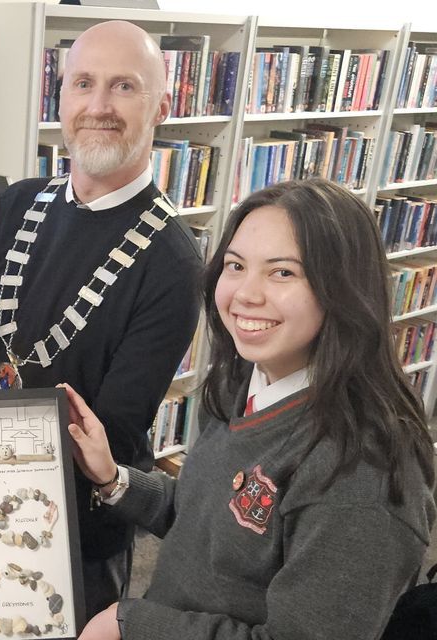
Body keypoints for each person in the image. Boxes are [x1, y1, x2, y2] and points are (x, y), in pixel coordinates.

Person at [65, 179, 437, 640]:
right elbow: (207, 521)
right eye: (235, 265)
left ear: (342, 287)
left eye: (283, 272)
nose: (245, 294)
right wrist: (113, 478)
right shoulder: (243, 380)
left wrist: (132, 622)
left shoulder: (362, 470)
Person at [0, 20, 202, 614]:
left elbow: (116, 425)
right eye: (83, 83)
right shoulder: (20, 202)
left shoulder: (173, 262)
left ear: (161, 106)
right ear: (62, 99)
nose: (99, 106)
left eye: (123, 87)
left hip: (72, 530)